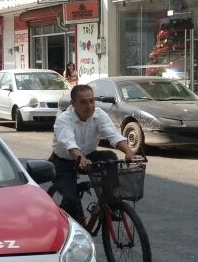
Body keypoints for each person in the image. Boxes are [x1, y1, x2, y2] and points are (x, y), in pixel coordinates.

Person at [51, 84, 135, 225]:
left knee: (110, 158)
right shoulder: (64, 119)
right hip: (63, 162)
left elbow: (113, 135)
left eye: (92, 101)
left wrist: (129, 152)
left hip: (89, 156)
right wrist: (81, 158)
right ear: (73, 103)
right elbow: (70, 145)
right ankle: (69, 228)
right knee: (71, 201)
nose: (89, 106)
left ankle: (110, 204)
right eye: (84, 102)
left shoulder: (99, 114)